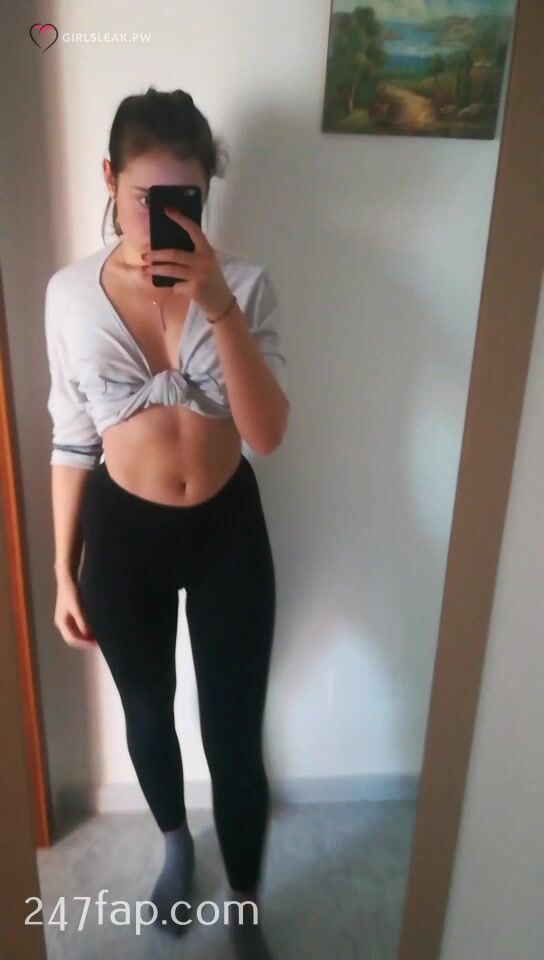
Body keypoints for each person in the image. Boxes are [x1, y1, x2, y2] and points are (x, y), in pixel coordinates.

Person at [45, 86, 288, 952]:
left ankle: (247, 899)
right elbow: (71, 437)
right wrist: (62, 568)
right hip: (123, 539)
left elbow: (267, 434)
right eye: (145, 197)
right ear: (109, 179)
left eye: (184, 200)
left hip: (227, 532)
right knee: (147, 714)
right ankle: (177, 846)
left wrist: (218, 305)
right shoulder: (68, 296)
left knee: (234, 732)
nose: (160, 221)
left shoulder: (245, 286)